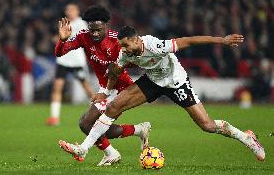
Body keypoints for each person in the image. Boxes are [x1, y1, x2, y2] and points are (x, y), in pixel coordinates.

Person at [59, 26, 265, 162]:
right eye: (121, 45)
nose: (123, 49)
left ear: (137, 40)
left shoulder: (155, 45)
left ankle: (246, 137)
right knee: (113, 107)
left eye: (126, 44)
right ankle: (84, 149)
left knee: (207, 126)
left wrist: (222, 40)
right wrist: (105, 92)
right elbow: (115, 71)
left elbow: (190, 41)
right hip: (153, 82)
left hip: (176, 82)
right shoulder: (124, 53)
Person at [55, 7, 151, 166]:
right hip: (105, 88)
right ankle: (138, 131)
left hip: (122, 89)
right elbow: (60, 53)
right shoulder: (83, 36)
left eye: (98, 30)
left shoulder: (116, 40)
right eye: (91, 29)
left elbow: (136, 60)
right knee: (93, 126)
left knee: (86, 123)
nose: (94, 33)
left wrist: (121, 65)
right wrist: (63, 40)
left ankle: (106, 152)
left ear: (106, 25)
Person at [46, 3, 95, 126]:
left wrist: (59, 38)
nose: (69, 12)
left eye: (72, 10)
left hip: (77, 61)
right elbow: (59, 38)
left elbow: (72, 37)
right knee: (57, 87)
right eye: (67, 10)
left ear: (77, 11)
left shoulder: (81, 24)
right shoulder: (65, 23)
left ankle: (100, 113)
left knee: (87, 89)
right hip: (63, 60)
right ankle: (54, 117)